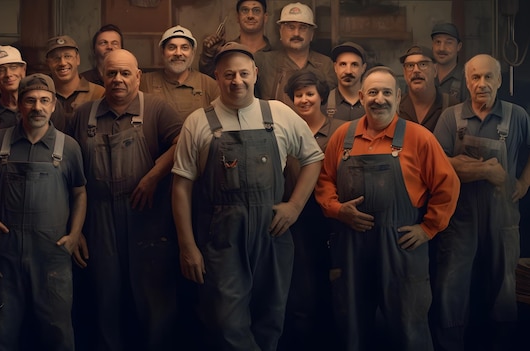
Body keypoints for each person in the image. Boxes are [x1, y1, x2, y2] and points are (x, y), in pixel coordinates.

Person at [172, 42, 323, 351]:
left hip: (272, 233)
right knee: (225, 320)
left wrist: (295, 206)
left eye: (243, 73)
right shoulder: (199, 122)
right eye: (228, 74)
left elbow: (313, 158)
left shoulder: (279, 113)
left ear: (255, 74)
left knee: (271, 316)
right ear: (217, 76)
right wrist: (187, 246)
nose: (236, 80)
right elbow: (181, 186)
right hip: (222, 237)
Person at [315, 66, 460, 351]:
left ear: (397, 95)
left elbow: (448, 186)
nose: (378, 99)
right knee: (352, 330)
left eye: (385, 92)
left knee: (409, 330)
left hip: (401, 248)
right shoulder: (343, 137)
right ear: (361, 96)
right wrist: (336, 209)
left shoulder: (419, 138)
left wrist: (428, 228)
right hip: (351, 249)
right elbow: (324, 183)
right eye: (372, 92)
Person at [70, 49, 182, 350]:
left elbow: (182, 143)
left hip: (147, 217)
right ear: (102, 76)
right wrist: (75, 228)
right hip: (98, 219)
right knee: (105, 298)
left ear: (138, 77)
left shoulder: (157, 109)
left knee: (153, 297)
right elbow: (69, 176)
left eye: (125, 73)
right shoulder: (84, 115)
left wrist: (153, 176)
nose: (118, 79)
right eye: (111, 73)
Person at [0, 73, 87, 351]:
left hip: (52, 255)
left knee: (57, 331)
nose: (38, 107)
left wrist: (74, 234)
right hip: (4, 254)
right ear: (20, 104)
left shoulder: (68, 147)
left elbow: (80, 192)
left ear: (54, 105)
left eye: (45, 100)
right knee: (1, 329)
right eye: (30, 100)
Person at [431, 54, 530, 350]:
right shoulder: (452, 117)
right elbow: (438, 164)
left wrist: (524, 183)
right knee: (451, 285)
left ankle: (503, 345)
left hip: (503, 217)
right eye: (475, 77)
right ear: (467, 81)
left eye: (488, 77)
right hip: (459, 216)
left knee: (504, 285)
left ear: (499, 81)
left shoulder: (517, 116)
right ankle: (450, 344)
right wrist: (487, 170)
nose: (482, 83)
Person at [278, 69, 345, 351]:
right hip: (300, 223)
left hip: (337, 221)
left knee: (339, 293)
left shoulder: (342, 130)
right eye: (298, 95)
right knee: (302, 295)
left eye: (309, 93)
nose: (304, 100)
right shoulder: (285, 132)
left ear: (321, 97)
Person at [0, 45, 65, 169]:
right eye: (1, 70)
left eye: (13, 67)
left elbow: (63, 149)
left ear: (23, 69)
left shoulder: (51, 107)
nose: (8, 74)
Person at [254, 2, 337, 109]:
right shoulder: (263, 61)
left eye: (303, 27)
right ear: (281, 31)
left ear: (311, 34)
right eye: (290, 27)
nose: (296, 33)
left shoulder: (326, 65)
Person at [140, 25, 219, 119]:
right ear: (162, 52)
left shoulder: (209, 85)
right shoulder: (144, 82)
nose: (178, 53)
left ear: (193, 53)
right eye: (172, 47)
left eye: (184, 48)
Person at [199, 0, 272, 79]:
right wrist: (208, 56)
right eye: (245, 10)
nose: (250, 16)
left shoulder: (275, 55)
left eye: (256, 11)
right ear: (237, 17)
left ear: (265, 17)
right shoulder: (225, 51)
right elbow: (208, 81)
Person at [45, 35, 105, 129]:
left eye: (68, 56)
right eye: (56, 58)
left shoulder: (98, 93)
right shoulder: (43, 95)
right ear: (48, 63)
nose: (62, 63)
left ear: (78, 59)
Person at [398, 45, 458, 131]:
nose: (416, 70)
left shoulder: (451, 106)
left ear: (435, 70)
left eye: (423, 64)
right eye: (410, 65)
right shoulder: (396, 107)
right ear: (404, 73)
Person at [322, 41, 367, 121]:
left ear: (363, 68)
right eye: (343, 64)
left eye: (354, 65)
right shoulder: (323, 104)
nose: (348, 71)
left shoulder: (372, 103)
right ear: (335, 67)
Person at [431, 22, 468, 101]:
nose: (442, 48)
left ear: (459, 46)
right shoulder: (426, 75)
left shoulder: (467, 78)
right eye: (438, 42)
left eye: (449, 42)